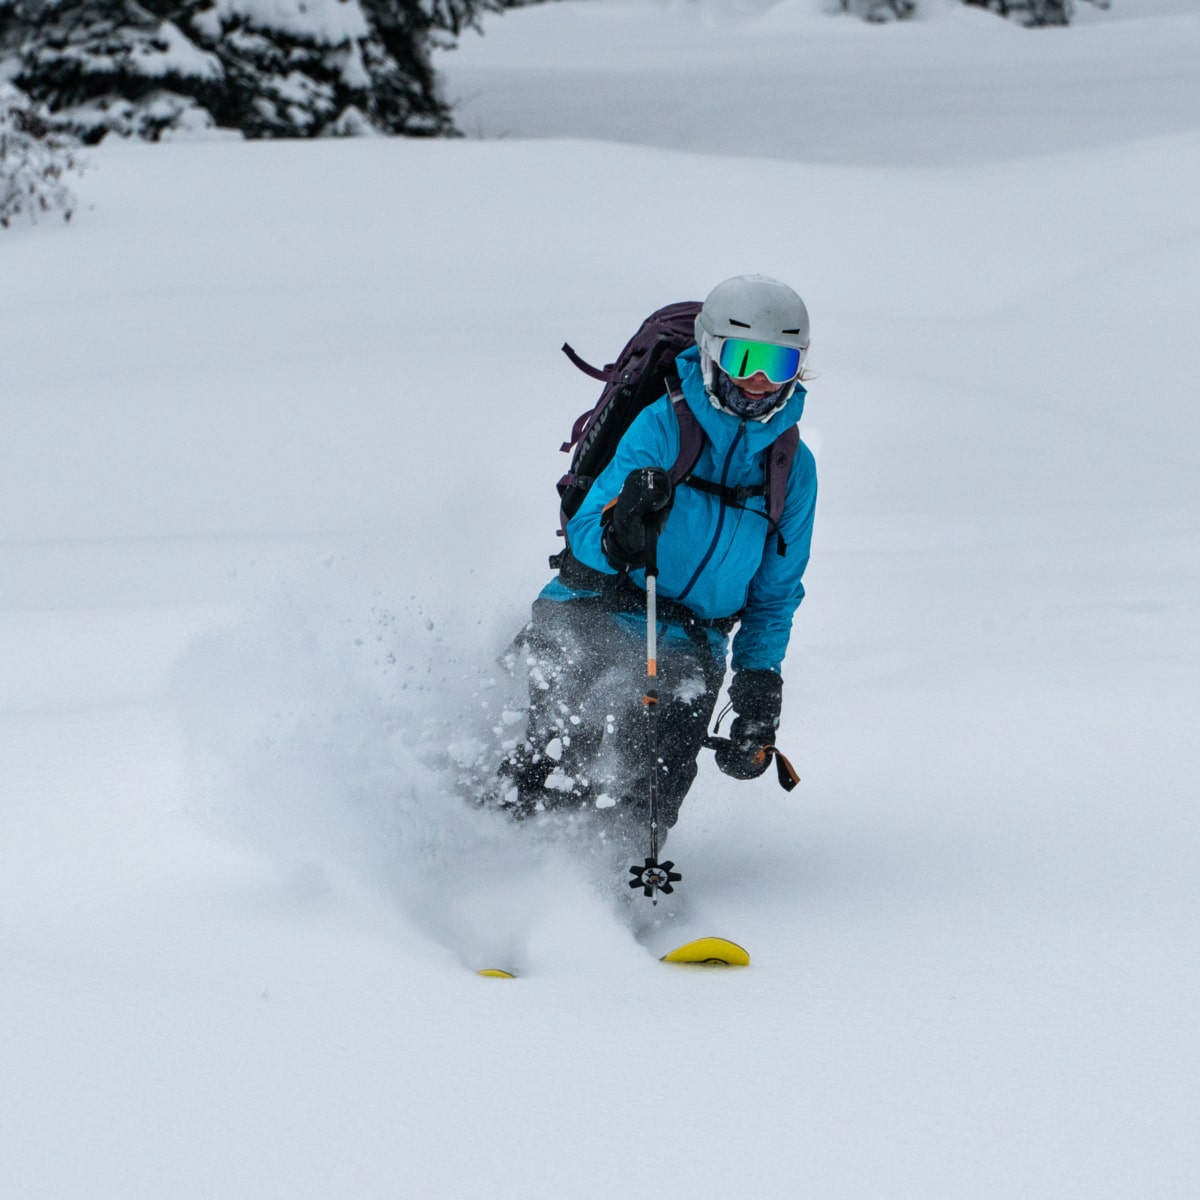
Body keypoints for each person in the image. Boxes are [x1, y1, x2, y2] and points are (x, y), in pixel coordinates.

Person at [497, 274, 818, 849]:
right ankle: (477, 872)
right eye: (745, 358)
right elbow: (588, 534)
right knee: (554, 758)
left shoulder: (793, 468)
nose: (760, 381)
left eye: (781, 363)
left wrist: (757, 692)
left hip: (692, 646)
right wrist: (623, 532)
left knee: (648, 802)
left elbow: (776, 592)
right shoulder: (663, 424)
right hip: (593, 611)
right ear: (714, 353)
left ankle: (609, 904)